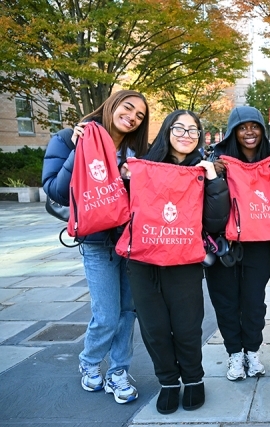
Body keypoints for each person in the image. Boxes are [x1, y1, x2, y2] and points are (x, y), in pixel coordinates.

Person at [42, 90, 150, 404]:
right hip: (96, 242)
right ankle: (89, 362)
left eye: (139, 116)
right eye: (128, 108)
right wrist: (79, 150)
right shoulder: (67, 138)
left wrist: (133, 179)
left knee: (128, 312)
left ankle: (118, 371)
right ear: (113, 105)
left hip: (131, 242)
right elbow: (57, 193)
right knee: (106, 314)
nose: (131, 117)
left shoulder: (135, 151)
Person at [125, 110, 230, 414]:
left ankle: (194, 379)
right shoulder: (144, 166)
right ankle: (168, 381)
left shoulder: (204, 170)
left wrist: (212, 182)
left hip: (183, 259)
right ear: (167, 131)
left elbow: (215, 221)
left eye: (193, 130)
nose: (186, 135)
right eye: (179, 128)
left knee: (186, 325)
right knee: (154, 326)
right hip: (144, 261)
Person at [205, 106, 270, 381]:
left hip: (258, 241)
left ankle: (252, 352)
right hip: (222, 244)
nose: (249, 132)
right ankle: (234, 353)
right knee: (226, 301)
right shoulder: (214, 161)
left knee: (254, 301)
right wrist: (211, 174)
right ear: (233, 131)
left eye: (254, 126)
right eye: (242, 127)